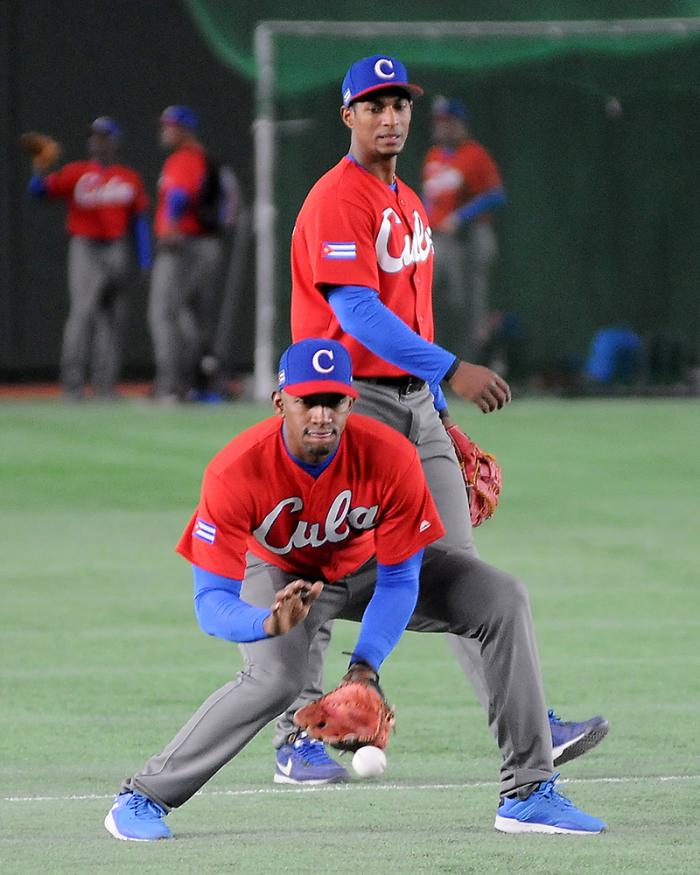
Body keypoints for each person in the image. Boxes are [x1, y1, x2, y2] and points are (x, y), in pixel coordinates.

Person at [104, 338, 606, 840]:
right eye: (307, 400)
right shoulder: (236, 471)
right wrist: (265, 622)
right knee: (275, 679)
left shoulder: (390, 456)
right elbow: (209, 603)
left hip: (366, 568)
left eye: (334, 400)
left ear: (352, 401)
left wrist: (364, 668)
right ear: (281, 403)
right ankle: (143, 796)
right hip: (281, 578)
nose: (321, 414)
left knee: (501, 598)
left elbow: (401, 577)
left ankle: (527, 792)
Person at [279, 54, 609, 793]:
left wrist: (438, 405)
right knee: (326, 560)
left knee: (463, 573)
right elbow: (357, 312)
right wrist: (453, 365)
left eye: (399, 103)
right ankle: (294, 732)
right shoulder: (338, 198)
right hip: (348, 402)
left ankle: (529, 728)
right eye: (374, 104)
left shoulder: (407, 198)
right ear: (348, 116)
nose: (391, 115)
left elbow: (409, 311)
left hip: (415, 403)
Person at [27, 117, 151, 400]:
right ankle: (72, 385)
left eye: (104, 136)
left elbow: (138, 221)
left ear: (115, 141)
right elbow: (38, 191)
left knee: (113, 319)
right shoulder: (77, 173)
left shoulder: (128, 177)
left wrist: (144, 259)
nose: (98, 141)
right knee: (82, 315)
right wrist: (39, 166)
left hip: (117, 248)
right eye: (95, 136)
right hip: (86, 248)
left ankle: (105, 385)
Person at [148, 105, 225, 402]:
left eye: (169, 126)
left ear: (183, 129)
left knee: (166, 312)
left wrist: (170, 221)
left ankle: (173, 383)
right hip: (202, 244)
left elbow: (180, 194)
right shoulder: (201, 157)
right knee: (188, 314)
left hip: (185, 244)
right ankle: (196, 380)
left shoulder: (184, 157)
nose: (164, 130)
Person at [422, 96, 506, 361]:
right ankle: (432, 360)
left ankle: (473, 361)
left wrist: (462, 216)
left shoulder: (475, 154)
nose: (441, 127)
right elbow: (430, 200)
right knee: (429, 295)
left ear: (460, 124)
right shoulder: (434, 156)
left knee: (468, 303)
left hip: (471, 237)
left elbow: (496, 195)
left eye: (447, 122)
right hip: (438, 239)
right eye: (439, 122)